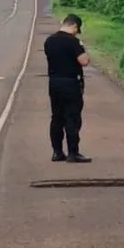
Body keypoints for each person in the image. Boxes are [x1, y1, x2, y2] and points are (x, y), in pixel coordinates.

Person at [44, 13, 91, 163]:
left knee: (57, 118)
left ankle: (57, 152)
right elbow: (84, 61)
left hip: (54, 83)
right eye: (77, 30)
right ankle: (73, 153)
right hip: (70, 83)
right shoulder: (73, 42)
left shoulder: (49, 41)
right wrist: (82, 47)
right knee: (72, 118)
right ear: (74, 26)